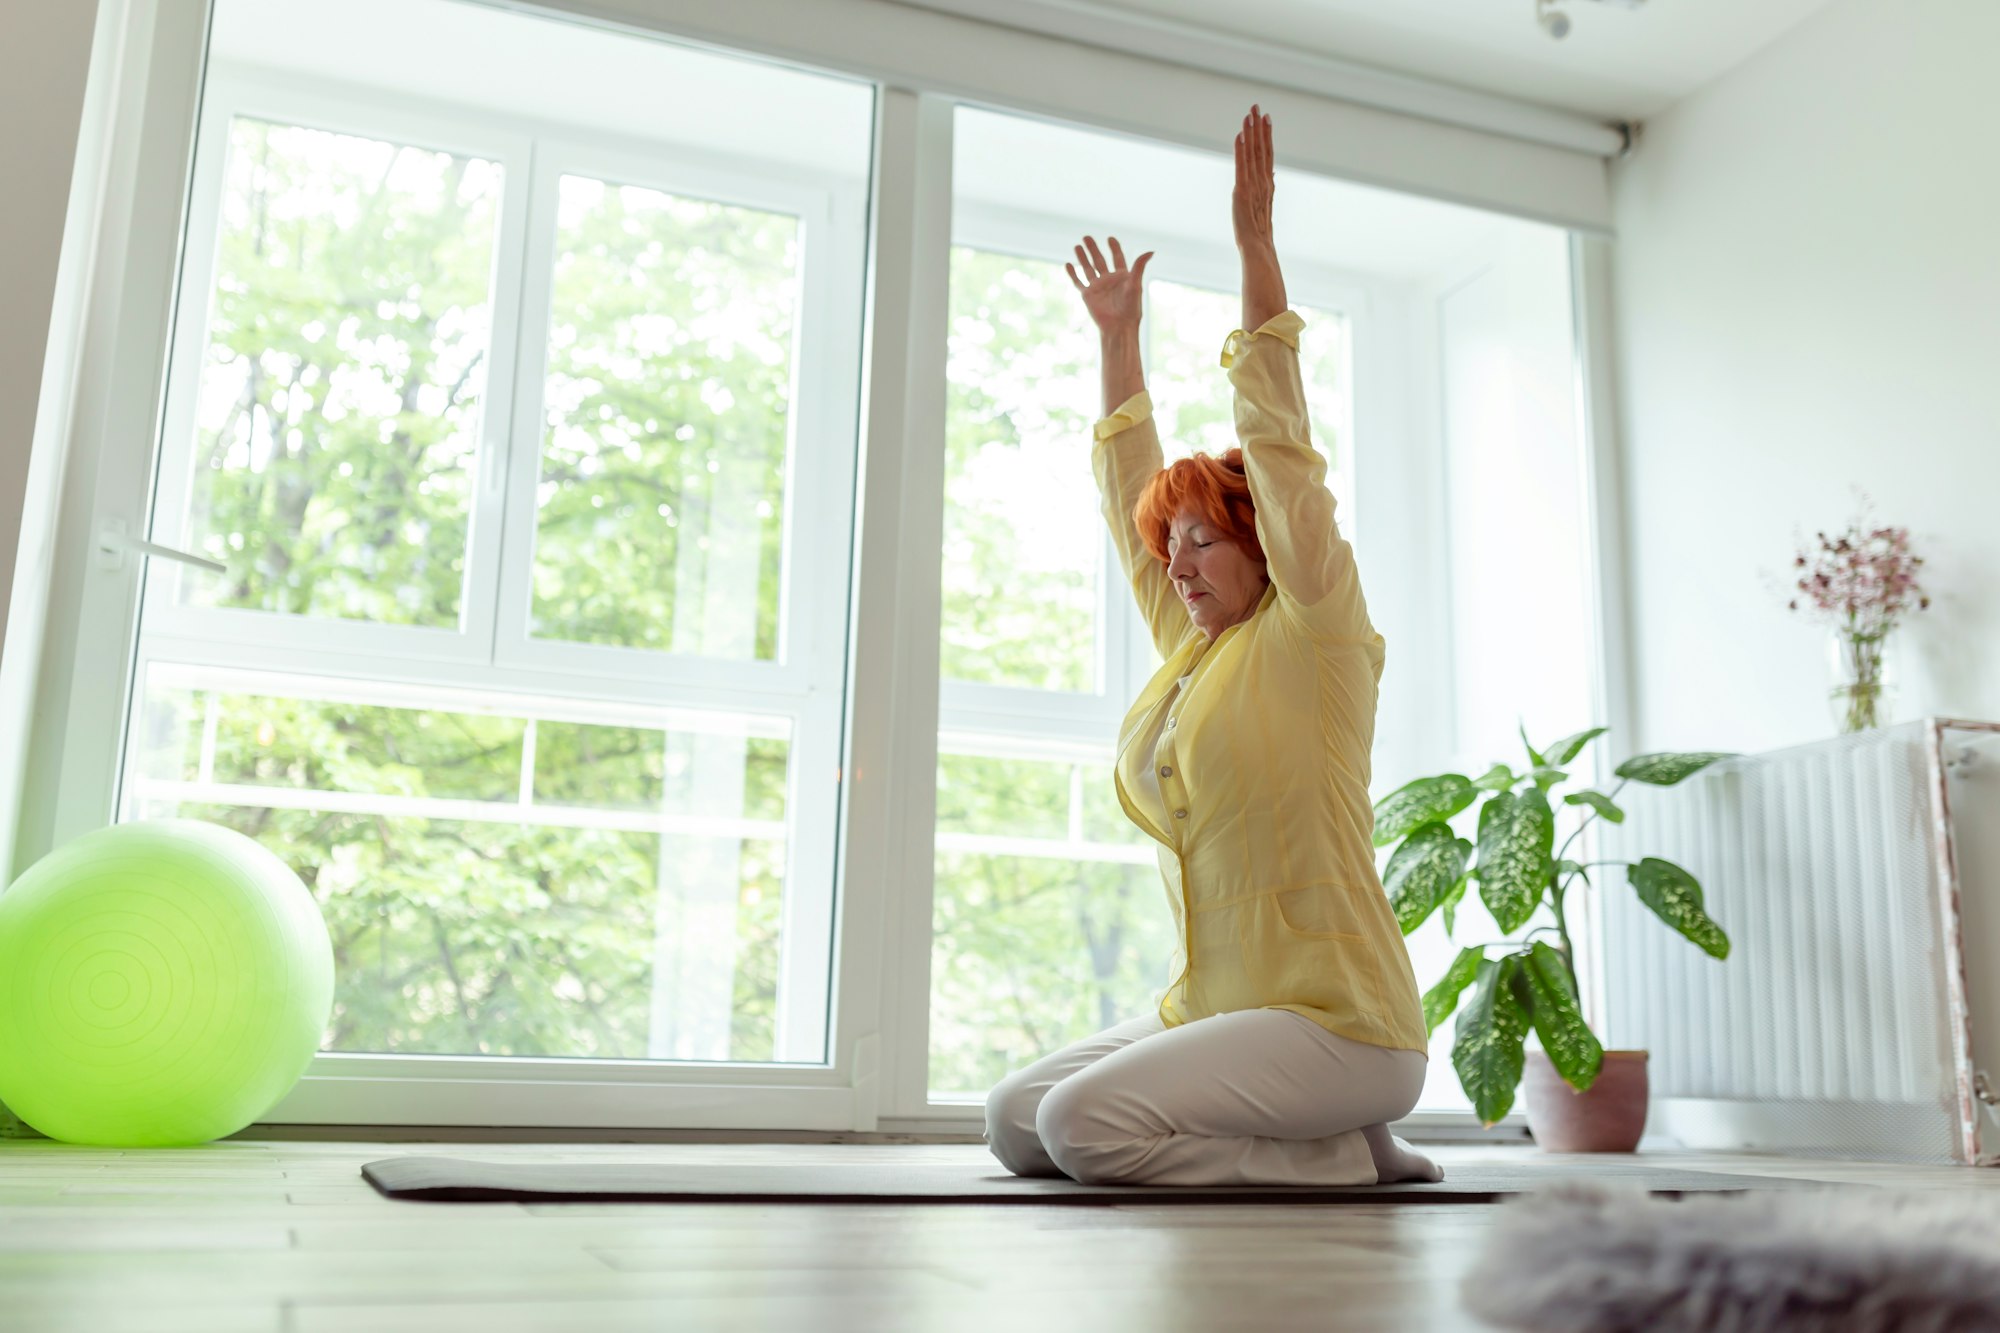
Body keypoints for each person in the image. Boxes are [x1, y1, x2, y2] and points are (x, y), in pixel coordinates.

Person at [982, 106, 1441, 1187]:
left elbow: (1281, 450)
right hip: (1222, 1016)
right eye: (1168, 551)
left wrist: (1255, 252)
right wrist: (1114, 340)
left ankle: (1346, 1152)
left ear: (1258, 546)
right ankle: (1331, 1139)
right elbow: (1124, 498)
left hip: (1338, 1022)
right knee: (1014, 1120)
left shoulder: (1312, 626)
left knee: (1083, 1130)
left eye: (1200, 543)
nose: (1176, 567)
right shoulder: (1194, 655)